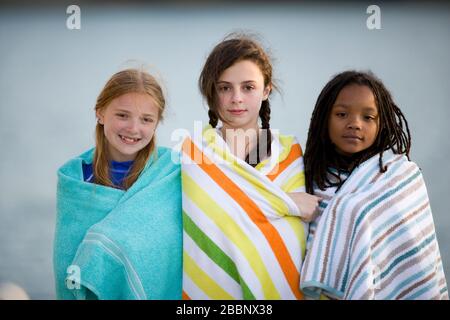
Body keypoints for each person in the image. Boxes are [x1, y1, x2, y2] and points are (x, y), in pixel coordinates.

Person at [181, 34, 320, 300]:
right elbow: (208, 218)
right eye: (224, 88)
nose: (236, 98)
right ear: (212, 92)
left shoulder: (288, 152)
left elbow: (300, 229)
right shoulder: (195, 152)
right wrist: (287, 203)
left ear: (266, 89)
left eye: (248, 87)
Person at [300, 70, 448, 300]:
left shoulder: (400, 176)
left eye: (368, 117)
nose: (355, 124)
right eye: (341, 114)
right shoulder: (308, 178)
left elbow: (416, 256)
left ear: (383, 123)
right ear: (324, 119)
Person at [53, 68, 182, 299]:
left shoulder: (169, 172)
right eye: (122, 115)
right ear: (100, 113)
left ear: (156, 124)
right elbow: (67, 258)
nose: (133, 128)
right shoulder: (76, 180)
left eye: (146, 119)